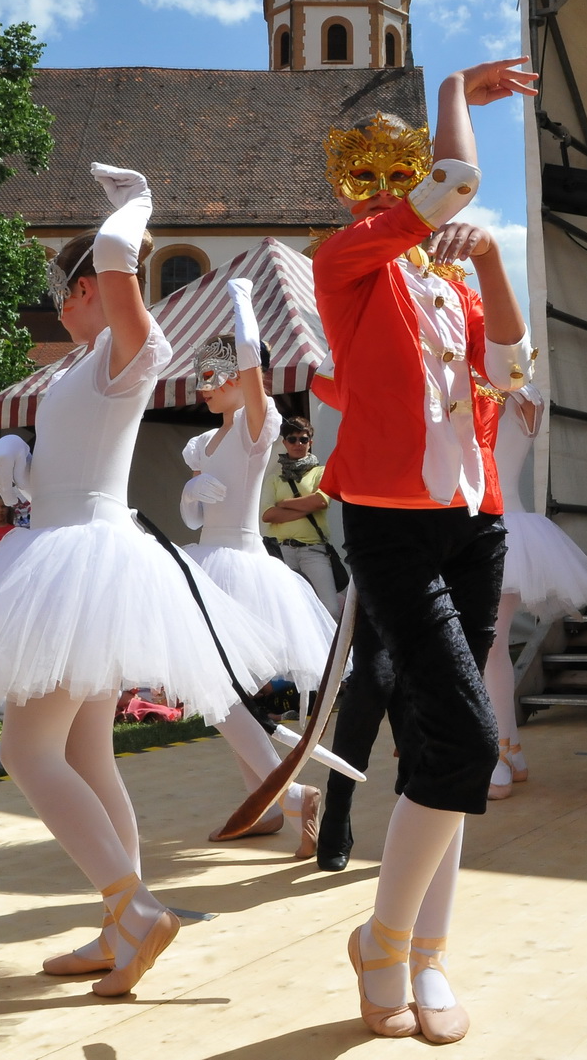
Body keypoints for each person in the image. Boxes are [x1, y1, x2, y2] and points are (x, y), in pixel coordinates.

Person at [0, 163, 287, 998]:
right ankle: (120, 921)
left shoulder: (122, 353)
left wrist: (135, 209)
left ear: (85, 290)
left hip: (82, 562)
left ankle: (132, 907)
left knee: (26, 750)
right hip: (70, 558)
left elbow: (117, 269)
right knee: (84, 751)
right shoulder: (78, 367)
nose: (56, 305)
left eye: (60, 289)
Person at [313, 59, 538, 1043]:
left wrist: (488, 262)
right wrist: (451, 90)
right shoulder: (346, 264)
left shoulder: (452, 286)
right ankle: (384, 939)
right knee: (470, 740)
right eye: (372, 178)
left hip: (473, 521)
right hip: (391, 521)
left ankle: (427, 955)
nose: (389, 190)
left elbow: (513, 373)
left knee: (440, 742)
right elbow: (455, 181)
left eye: (398, 174)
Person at [180, 282, 338, 858]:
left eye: (213, 375)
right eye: (200, 375)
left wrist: (243, 302)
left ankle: (287, 795)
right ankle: (268, 805)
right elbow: (193, 515)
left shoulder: (256, 425)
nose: (203, 386)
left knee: (217, 692)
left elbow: (252, 362)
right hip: (207, 561)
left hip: (242, 566)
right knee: (225, 692)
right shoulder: (202, 444)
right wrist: (192, 493)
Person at [482, 384, 587, 799]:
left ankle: (500, 752)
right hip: (476, 528)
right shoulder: (469, 387)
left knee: (490, 643)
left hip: (501, 527)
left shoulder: (521, 394)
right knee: (489, 644)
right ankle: (510, 750)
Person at [262, 416, 341, 616]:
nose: (298, 444)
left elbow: (321, 501)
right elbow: (268, 515)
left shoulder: (321, 472)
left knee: (330, 609)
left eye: (303, 439)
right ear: (284, 443)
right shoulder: (274, 479)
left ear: (310, 442)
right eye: (292, 439)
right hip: (282, 551)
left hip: (313, 550)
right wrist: (307, 506)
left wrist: (284, 504)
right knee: (289, 611)